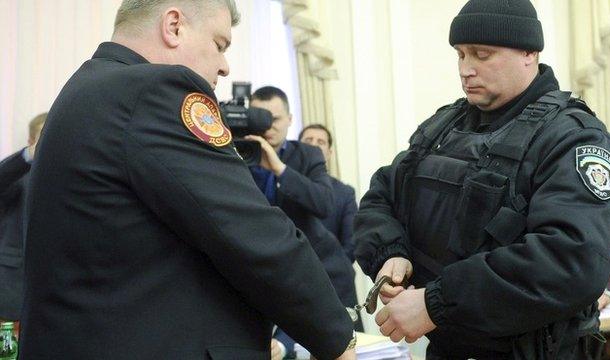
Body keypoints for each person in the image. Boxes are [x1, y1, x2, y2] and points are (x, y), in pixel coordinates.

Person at [18, 1, 355, 359]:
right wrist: (338, 341)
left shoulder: (85, 90)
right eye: (220, 44)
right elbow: (251, 231)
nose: (225, 66)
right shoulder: (155, 91)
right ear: (174, 26)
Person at [353, 0, 610, 358]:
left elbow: (571, 262)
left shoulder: (574, 140)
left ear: (529, 52)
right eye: (460, 55)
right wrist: (390, 252)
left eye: (482, 55)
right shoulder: (445, 127)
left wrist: (436, 302)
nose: (466, 69)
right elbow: (382, 195)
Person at [246, 87, 358, 359]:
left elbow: (324, 203)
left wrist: (279, 169)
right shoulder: (236, 155)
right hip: (261, 271)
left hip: (322, 272)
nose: (269, 126)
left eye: (275, 118)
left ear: (289, 119)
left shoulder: (308, 155)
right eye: (261, 118)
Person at [0, 113, 46, 326]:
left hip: (52, 293)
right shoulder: (16, 175)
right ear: (31, 142)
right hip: (12, 291)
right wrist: (29, 155)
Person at [300, 124, 358, 263]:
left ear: (329, 153)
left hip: (331, 278)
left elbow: (351, 245)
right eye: (308, 140)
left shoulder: (345, 193)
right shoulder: (283, 183)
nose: (314, 145)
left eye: (321, 142)